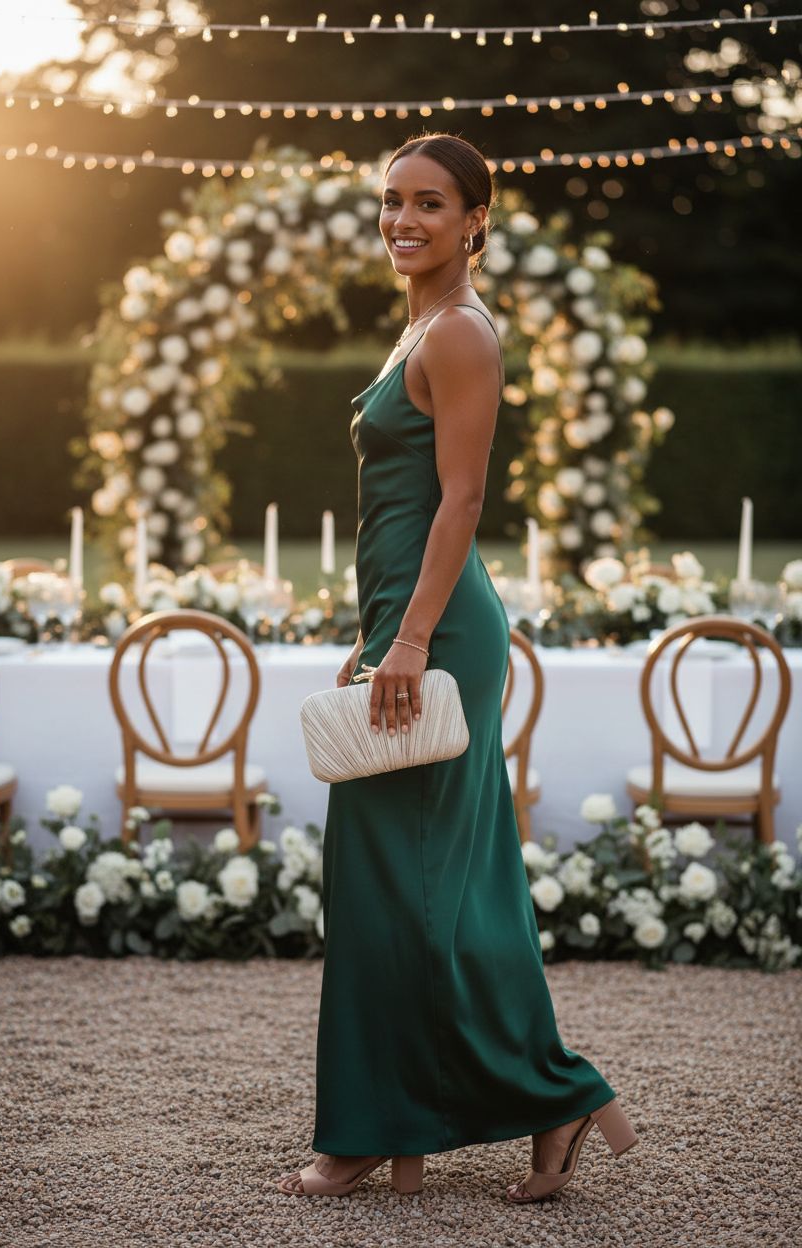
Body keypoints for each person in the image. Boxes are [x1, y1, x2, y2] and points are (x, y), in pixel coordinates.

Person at [276, 132, 637, 1202]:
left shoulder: (464, 334)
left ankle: (438, 1115)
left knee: (406, 883)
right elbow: (402, 511)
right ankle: (472, 1110)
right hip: (409, 624)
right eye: (391, 201)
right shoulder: (421, 325)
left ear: (475, 219)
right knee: (414, 884)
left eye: (428, 203)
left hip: (441, 637)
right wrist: (382, 625)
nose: (403, 220)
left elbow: (463, 502)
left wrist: (414, 636)